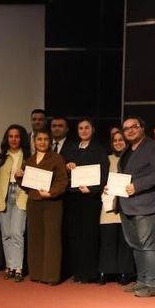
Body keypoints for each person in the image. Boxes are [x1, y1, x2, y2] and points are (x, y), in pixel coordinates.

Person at [113, 116, 155, 297]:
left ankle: (153, 284)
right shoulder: (127, 150)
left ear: (142, 128)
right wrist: (112, 187)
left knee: (148, 244)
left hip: (146, 204)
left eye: (134, 127)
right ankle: (143, 280)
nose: (130, 131)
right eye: (126, 128)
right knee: (136, 245)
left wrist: (137, 186)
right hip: (127, 204)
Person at [62, 119, 108, 284]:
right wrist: (67, 167)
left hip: (90, 198)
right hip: (72, 197)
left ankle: (89, 273)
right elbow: (61, 172)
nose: (83, 130)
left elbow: (104, 173)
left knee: (89, 235)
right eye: (80, 128)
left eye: (87, 127)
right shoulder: (70, 149)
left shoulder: (99, 149)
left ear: (93, 130)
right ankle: (77, 271)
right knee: (74, 235)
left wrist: (92, 189)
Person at [23, 130, 68, 284]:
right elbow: (26, 185)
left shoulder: (56, 158)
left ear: (50, 142)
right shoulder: (30, 160)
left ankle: (51, 276)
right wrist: (19, 177)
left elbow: (62, 181)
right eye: (39, 139)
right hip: (33, 202)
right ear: (34, 141)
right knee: (35, 238)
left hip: (52, 203)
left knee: (52, 239)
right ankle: (36, 273)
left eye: (46, 139)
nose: (42, 142)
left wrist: (51, 192)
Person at [0, 124, 29, 282]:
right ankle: (10, 267)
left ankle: (18, 268)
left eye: (17, 136)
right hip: (3, 196)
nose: (14, 139)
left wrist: (25, 174)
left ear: (21, 138)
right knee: (6, 234)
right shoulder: (2, 157)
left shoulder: (28, 157)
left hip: (20, 195)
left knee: (16, 233)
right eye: (11, 136)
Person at [99, 130, 135, 285]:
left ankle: (124, 272)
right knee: (108, 238)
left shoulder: (133, 158)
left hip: (128, 203)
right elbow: (100, 178)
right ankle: (105, 271)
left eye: (121, 140)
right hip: (109, 204)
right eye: (115, 140)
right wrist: (103, 186)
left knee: (125, 240)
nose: (118, 143)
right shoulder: (107, 159)